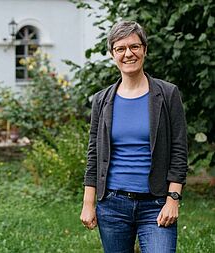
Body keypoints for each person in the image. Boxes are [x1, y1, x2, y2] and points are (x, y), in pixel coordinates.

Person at [80, 21, 188, 253]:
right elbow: (94, 154)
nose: (128, 53)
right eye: (120, 48)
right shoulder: (102, 100)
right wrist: (89, 203)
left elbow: (179, 150)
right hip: (112, 204)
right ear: (112, 54)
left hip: (156, 202)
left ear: (144, 50)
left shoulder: (167, 94)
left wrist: (173, 198)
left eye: (135, 47)